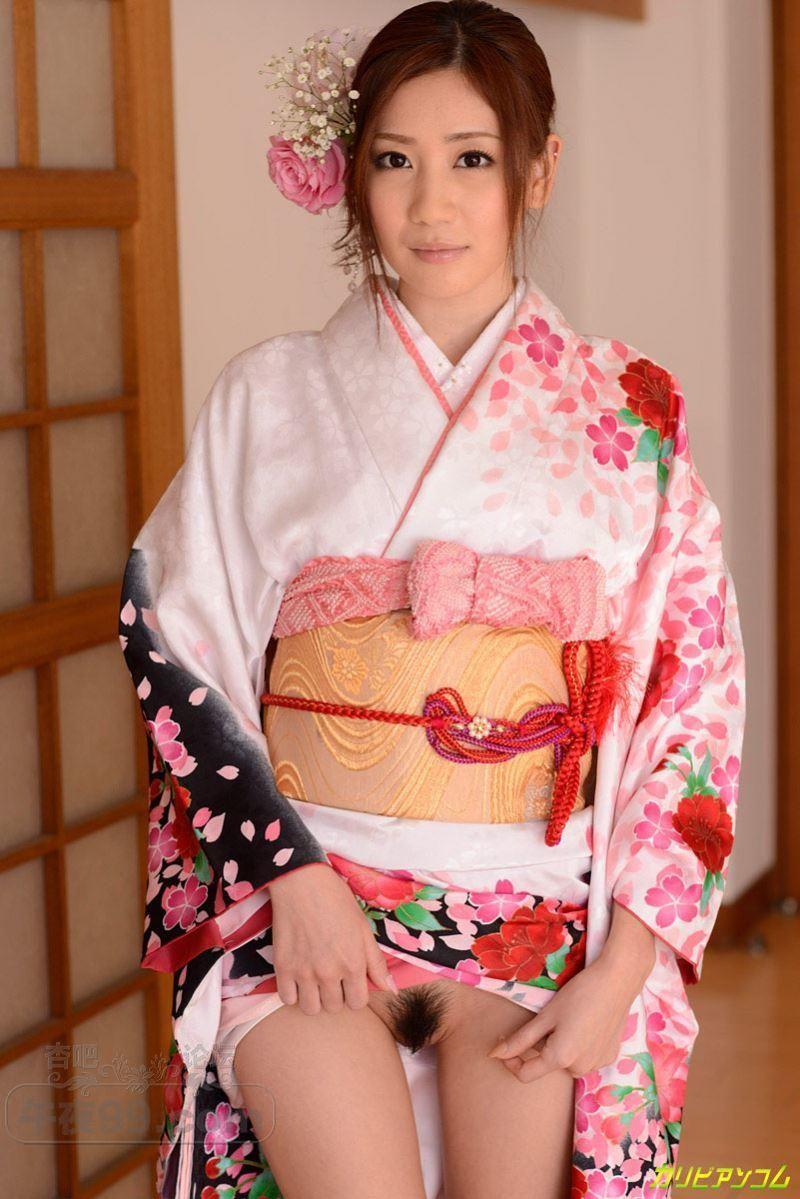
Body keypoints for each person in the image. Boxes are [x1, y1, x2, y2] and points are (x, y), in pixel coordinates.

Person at [118, 4, 746, 1197]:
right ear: (352, 172)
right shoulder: (268, 395)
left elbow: (692, 699)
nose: (429, 203)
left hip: (529, 916)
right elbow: (170, 640)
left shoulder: (626, 414)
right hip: (312, 898)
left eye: (471, 160)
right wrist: (288, 877)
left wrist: (619, 970)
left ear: (537, 171)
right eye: (394, 160)